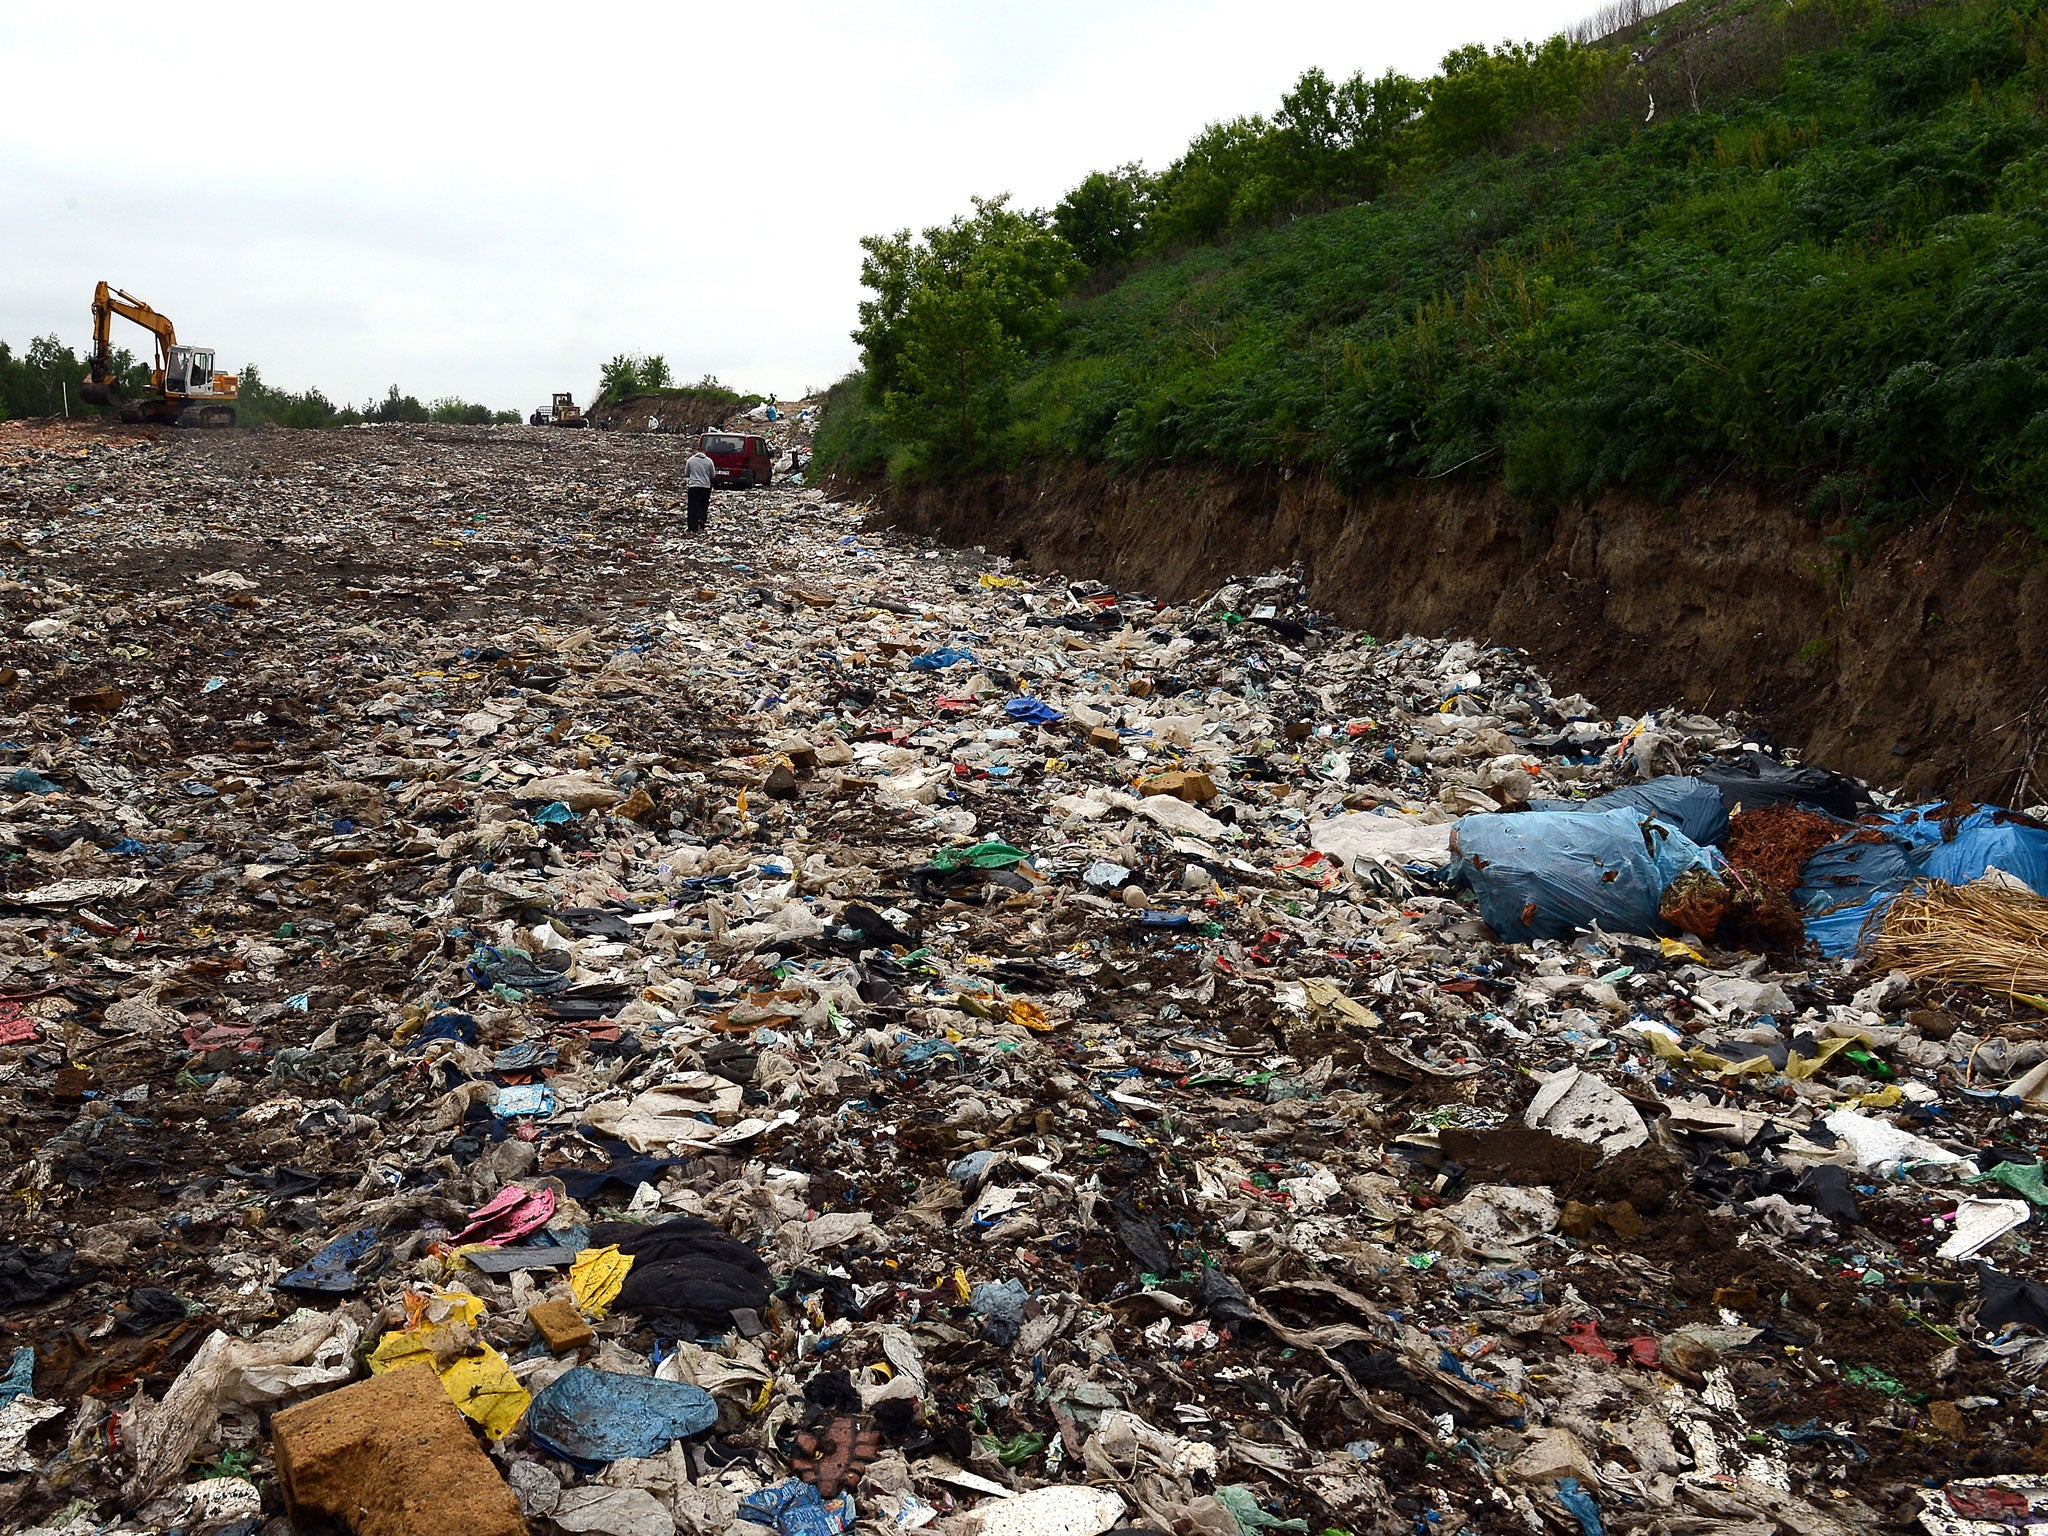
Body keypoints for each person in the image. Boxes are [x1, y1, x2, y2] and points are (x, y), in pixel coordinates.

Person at [685, 442, 715, 533]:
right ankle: (702, 519)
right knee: (704, 504)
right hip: (705, 486)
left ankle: (692, 526)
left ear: (696, 451)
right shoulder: (709, 461)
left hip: (694, 486)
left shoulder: (690, 460)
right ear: (704, 451)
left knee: (693, 506)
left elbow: (686, 473)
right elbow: (712, 475)